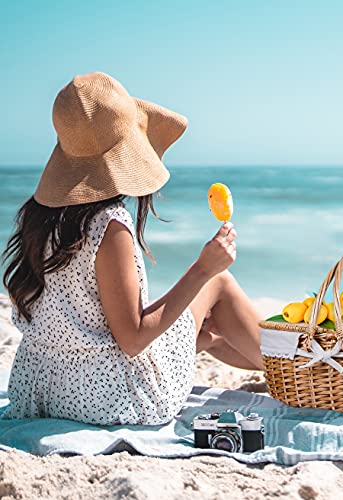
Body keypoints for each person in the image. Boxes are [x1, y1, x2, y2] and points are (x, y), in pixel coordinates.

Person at [1, 72, 263, 426]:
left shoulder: (40, 216)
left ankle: (225, 349)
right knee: (218, 283)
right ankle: (300, 370)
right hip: (103, 397)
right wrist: (205, 267)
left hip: (39, 389)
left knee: (207, 334)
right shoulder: (108, 225)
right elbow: (133, 340)